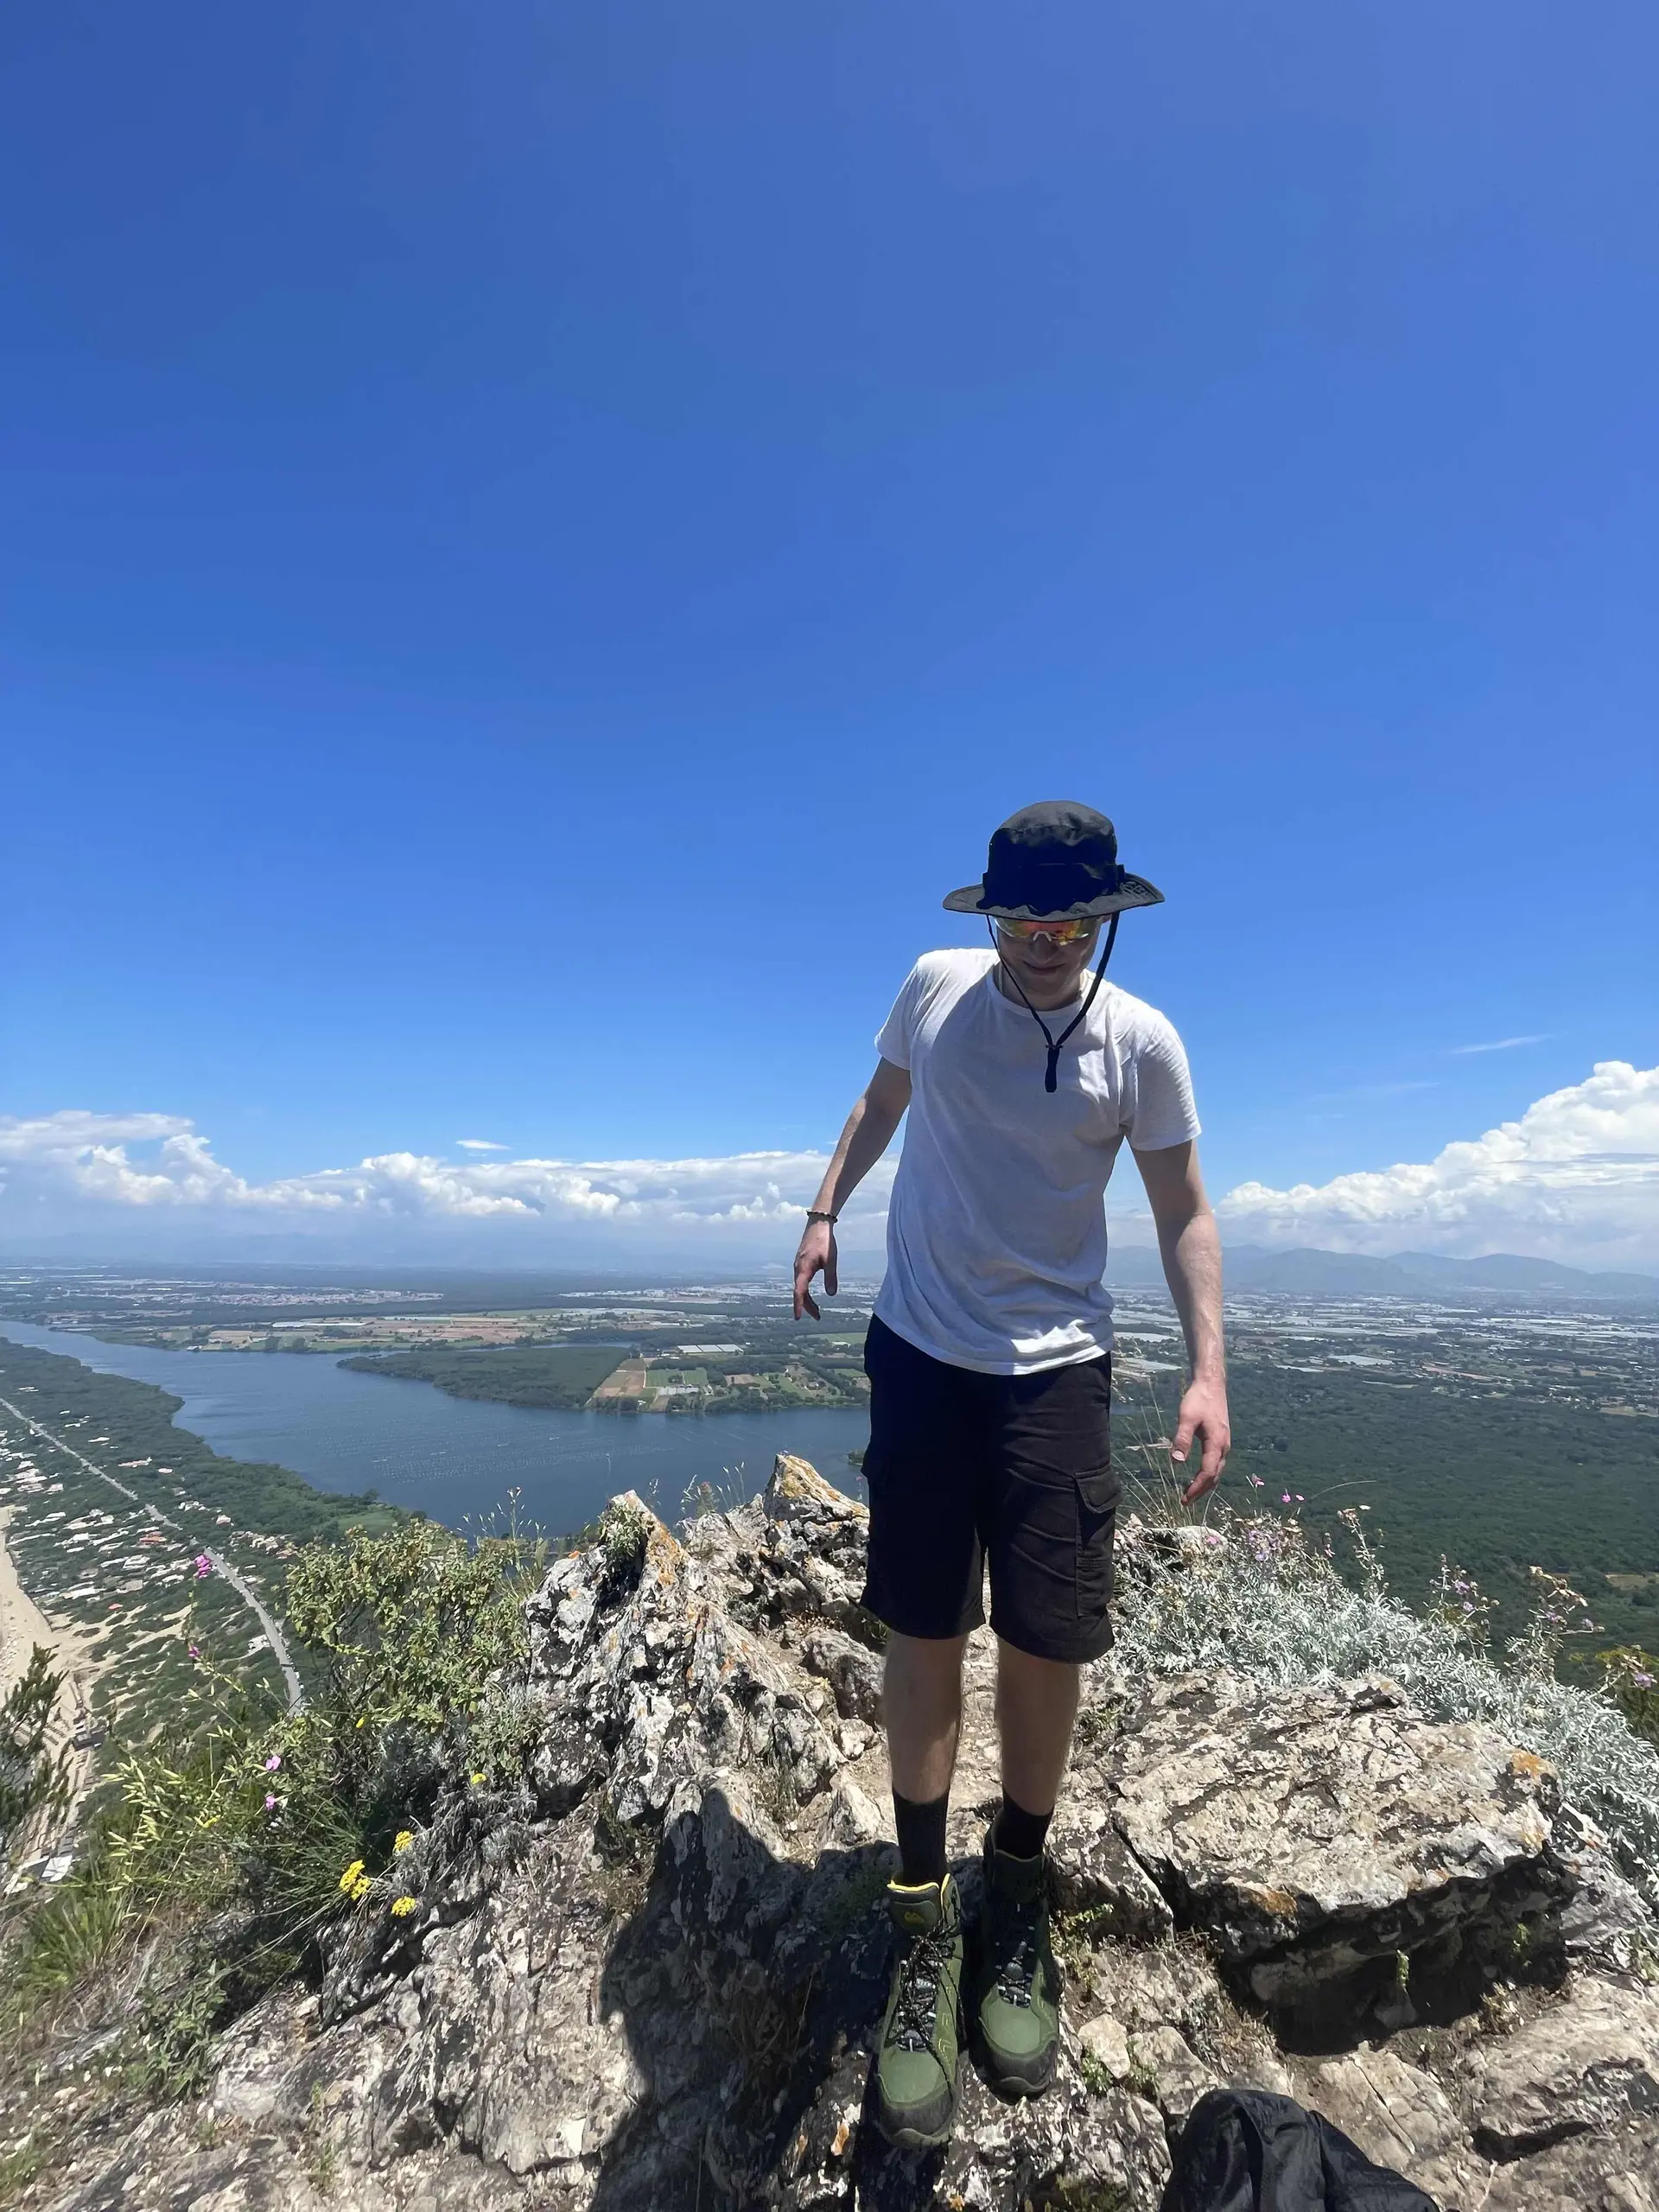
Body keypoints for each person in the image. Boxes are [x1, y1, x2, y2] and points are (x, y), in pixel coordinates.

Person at [791, 800, 1230, 2150]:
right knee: (924, 1630)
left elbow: (1182, 1206)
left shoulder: (1140, 1044)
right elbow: (881, 1101)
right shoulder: (933, 990)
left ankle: (1018, 1895)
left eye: (1071, 922)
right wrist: (824, 1209)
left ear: (1104, 919)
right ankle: (925, 1920)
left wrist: (1209, 1370)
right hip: (923, 1353)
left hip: (1057, 1371)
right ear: (989, 917)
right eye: (1024, 919)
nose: (1046, 943)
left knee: (1048, 1639)